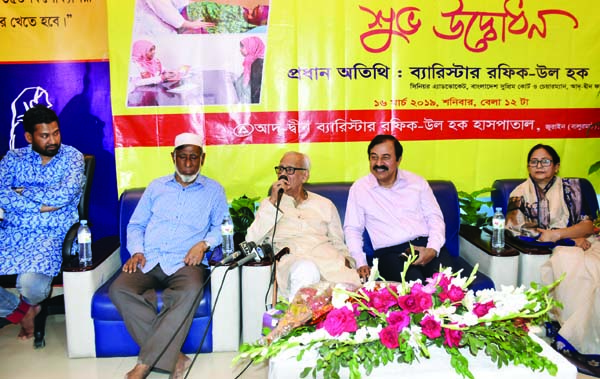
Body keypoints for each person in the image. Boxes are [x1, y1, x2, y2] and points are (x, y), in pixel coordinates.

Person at [109, 133, 228, 379]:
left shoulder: (214, 190)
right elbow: (136, 225)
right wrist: (137, 251)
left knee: (189, 291)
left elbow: (224, 226)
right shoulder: (156, 187)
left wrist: (204, 244)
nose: (187, 163)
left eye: (193, 157)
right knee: (119, 289)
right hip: (149, 259)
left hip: (187, 262)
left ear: (202, 159)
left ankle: (144, 366)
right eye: (182, 157)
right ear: (173, 157)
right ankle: (174, 357)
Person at [505, 144, 598, 359]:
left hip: (589, 241)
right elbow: (518, 228)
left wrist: (565, 234)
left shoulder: (576, 187)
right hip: (563, 247)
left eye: (545, 161)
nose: (539, 166)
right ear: (528, 166)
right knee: (572, 263)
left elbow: (587, 226)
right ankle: (571, 337)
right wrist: (567, 238)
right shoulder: (519, 193)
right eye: (534, 161)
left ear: (556, 166)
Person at [0, 105, 84, 340]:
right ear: (29, 137)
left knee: (32, 286)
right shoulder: (13, 159)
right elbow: (1, 193)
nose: (53, 140)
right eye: (45, 136)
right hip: (11, 233)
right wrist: (41, 204)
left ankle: (25, 307)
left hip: (52, 235)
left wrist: (21, 192)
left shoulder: (72, 157)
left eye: (56, 133)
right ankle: (21, 312)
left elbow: (63, 196)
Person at [245, 151, 361, 300]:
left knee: (352, 290)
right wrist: (273, 202)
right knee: (306, 269)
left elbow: (338, 243)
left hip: (328, 261)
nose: (283, 174)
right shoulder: (269, 204)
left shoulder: (325, 204)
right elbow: (251, 240)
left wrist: (347, 261)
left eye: (289, 170)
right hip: (292, 262)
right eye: (280, 169)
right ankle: (297, 322)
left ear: (304, 176)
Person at [344, 134, 446, 283]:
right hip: (389, 254)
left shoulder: (417, 183)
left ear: (398, 160)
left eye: (385, 157)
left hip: (424, 245)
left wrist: (433, 248)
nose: (379, 163)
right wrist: (361, 262)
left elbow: (434, 217)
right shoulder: (359, 189)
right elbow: (353, 229)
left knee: (447, 285)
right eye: (374, 157)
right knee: (414, 288)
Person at [133, 0, 215, 37]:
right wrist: (188, 24)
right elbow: (163, 8)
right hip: (150, 30)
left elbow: (177, 2)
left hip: (165, 30)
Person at [233, 36, 264, 104]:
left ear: (252, 46)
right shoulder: (250, 62)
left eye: (242, 47)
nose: (240, 49)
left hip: (250, 109)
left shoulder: (258, 64)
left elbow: (255, 90)